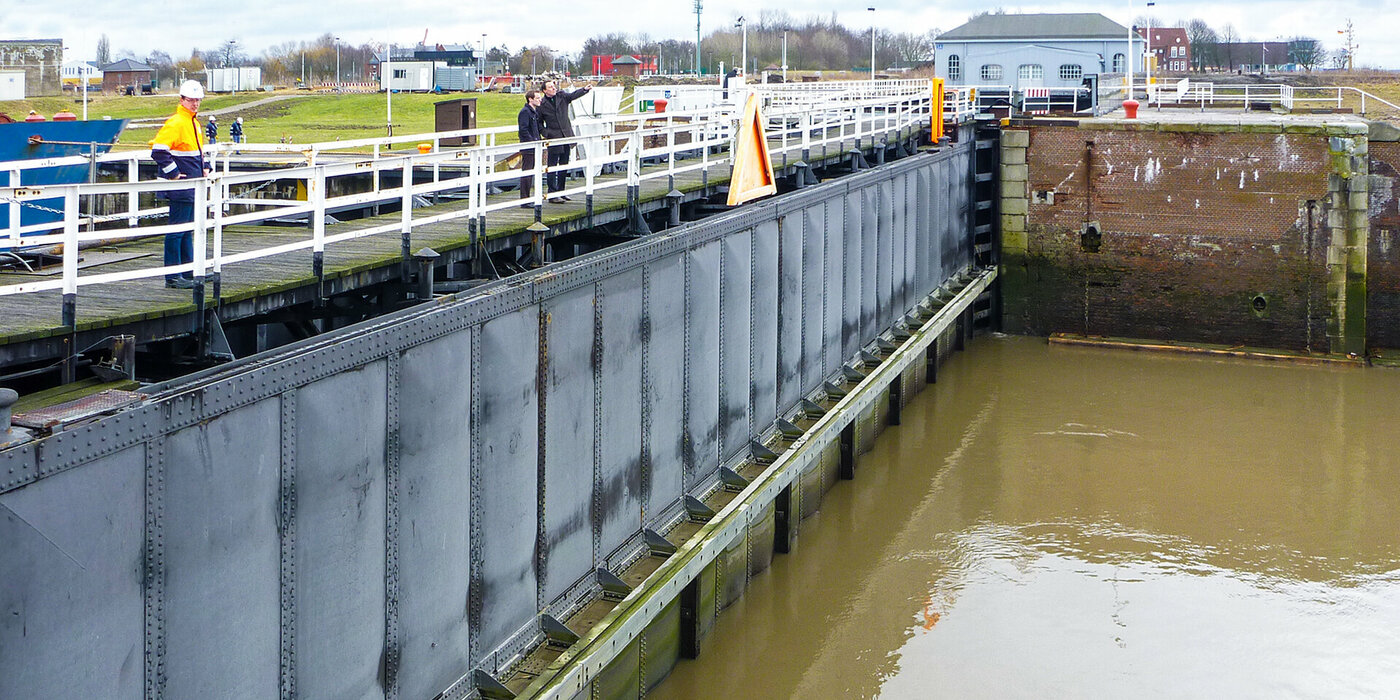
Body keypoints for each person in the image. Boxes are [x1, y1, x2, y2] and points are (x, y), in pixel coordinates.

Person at [150, 80, 210, 289]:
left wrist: (206, 166)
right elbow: (158, 150)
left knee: (186, 229)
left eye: (198, 100)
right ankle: (173, 276)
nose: (195, 104)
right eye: (191, 100)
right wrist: (174, 174)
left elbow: (198, 150)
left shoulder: (193, 123)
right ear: (182, 100)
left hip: (193, 184)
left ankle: (187, 272)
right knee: (177, 230)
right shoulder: (176, 122)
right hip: (181, 186)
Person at [536, 79, 592, 202]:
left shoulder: (562, 96)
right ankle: (552, 194)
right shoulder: (542, 104)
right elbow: (538, 123)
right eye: (550, 87)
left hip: (566, 135)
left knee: (564, 165)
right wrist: (546, 133)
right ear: (545, 90)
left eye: (553, 86)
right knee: (552, 166)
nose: (553, 88)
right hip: (554, 137)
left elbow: (572, 96)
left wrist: (584, 90)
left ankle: (561, 191)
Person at [516, 90, 542, 207]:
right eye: (537, 98)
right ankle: (524, 200)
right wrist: (532, 142)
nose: (540, 100)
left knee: (530, 172)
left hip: (534, 146)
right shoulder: (525, 112)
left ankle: (527, 198)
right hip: (528, 147)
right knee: (527, 172)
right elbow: (523, 130)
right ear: (530, 99)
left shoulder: (533, 112)